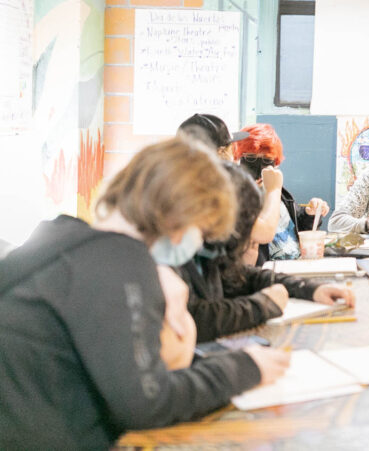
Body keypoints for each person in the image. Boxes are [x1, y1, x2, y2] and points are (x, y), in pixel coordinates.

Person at [0, 138, 289, 449]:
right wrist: (245, 367)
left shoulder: (66, 240)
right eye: (201, 229)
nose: (198, 242)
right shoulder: (120, 262)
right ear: (179, 213)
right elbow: (147, 402)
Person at [179, 162, 355, 342]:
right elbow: (199, 319)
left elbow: (245, 277)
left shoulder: (207, 253)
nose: (251, 244)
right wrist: (264, 304)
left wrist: (311, 289)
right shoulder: (174, 261)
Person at [177, 114, 282, 260]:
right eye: (231, 148)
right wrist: (274, 190)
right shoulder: (211, 192)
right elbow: (264, 232)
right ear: (221, 152)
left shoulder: (178, 186)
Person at [234, 123, 331, 264]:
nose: (259, 167)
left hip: (298, 264)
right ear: (239, 159)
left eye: (267, 160)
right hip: (268, 272)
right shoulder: (235, 197)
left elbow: (296, 227)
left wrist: (310, 214)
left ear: (276, 163)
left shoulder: (280, 193)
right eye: (250, 158)